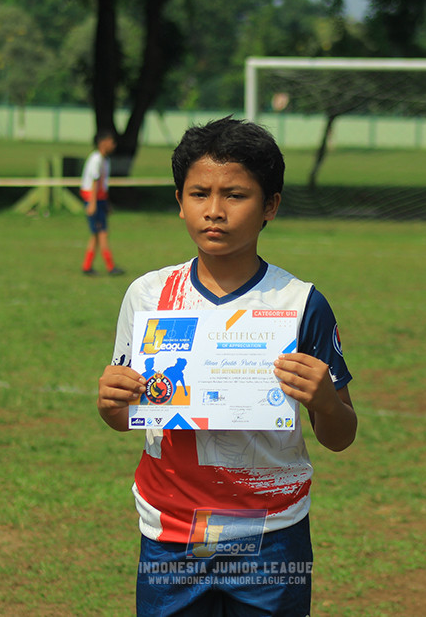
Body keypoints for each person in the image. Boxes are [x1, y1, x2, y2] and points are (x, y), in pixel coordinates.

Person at [97, 117, 357, 615]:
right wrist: (112, 404)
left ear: (270, 206)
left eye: (235, 195)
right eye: (199, 193)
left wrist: (325, 401)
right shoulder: (148, 295)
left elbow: (341, 435)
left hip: (272, 531)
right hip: (170, 530)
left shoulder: (301, 303)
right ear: (180, 201)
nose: (214, 211)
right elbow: (127, 416)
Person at [79, 130, 124, 275]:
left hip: (100, 199)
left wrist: (106, 202)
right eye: (111, 142)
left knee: (97, 234)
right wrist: (92, 203)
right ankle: (109, 267)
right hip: (94, 199)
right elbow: (94, 181)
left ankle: (88, 266)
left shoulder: (105, 160)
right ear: (102, 143)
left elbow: (102, 184)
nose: (113, 145)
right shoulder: (96, 159)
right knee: (101, 233)